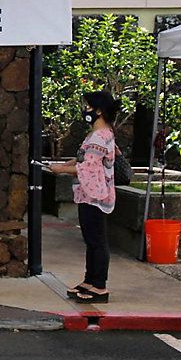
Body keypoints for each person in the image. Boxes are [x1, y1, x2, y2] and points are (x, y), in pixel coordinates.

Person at [49, 91, 120, 304]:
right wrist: (65, 165)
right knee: (91, 240)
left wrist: (61, 169)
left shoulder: (100, 136)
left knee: (96, 240)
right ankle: (90, 280)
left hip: (95, 195)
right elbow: (82, 159)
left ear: (99, 111)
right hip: (89, 194)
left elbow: (88, 167)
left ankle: (99, 286)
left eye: (88, 106)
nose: (85, 110)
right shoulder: (100, 134)